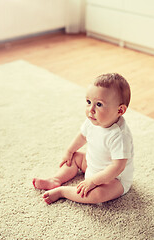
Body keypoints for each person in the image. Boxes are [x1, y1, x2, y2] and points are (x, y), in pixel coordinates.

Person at [33, 73, 134, 204]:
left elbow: (117, 167)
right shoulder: (92, 120)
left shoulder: (119, 136)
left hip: (114, 179)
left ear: (120, 110)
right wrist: (69, 151)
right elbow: (82, 136)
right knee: (74, 158)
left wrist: (93, 181)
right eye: (88, 102)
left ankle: (63, 191)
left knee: (97, 195)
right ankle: (56, 179)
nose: (91, 109)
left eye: (99, 104)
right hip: (93, 164)